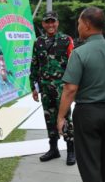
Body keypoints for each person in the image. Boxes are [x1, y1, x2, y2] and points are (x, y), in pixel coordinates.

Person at [57, 7, 105, 182]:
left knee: (89, 163)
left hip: (87, 112)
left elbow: (70, 89)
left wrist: (61, 116)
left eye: (79, 23)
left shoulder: (80, 53)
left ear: (87, 25)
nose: (78, 27)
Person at [29, 11, 76, 165]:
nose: (50, 25)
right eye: (47, 22)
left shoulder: (66, 40)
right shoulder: (38, 42)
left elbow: (73, 64)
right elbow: (34, 65)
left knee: (66, 118)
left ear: (57, 23)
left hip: (61, 88)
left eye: (53, 22)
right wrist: (33, 87)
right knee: (49, 118)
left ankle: (71, 151)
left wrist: (72, 86)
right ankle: (53, 149)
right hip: (45, 88)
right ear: (43, 24)